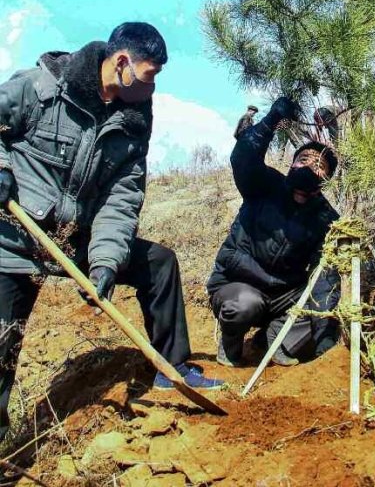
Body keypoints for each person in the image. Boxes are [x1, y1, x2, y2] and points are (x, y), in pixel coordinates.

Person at [0, 23, 223, 442]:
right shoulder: (40, 88)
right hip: (13, 236)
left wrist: (105, 262)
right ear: (121, 63)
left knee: (158, 264)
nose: (152, 86)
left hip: (74, 237)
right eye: (148, 75)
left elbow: (121, 198)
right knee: (1, 344)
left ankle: (172, 368)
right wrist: (1, 170)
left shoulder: (134, 119)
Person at [207, 97, 340, 368]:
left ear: (326, 179)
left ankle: (272, 340)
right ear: (292, 164)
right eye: (304, 159)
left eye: (320, 165)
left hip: (282, 295)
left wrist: (327, 337)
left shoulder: (325, 217)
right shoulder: (265, 185)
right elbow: (243, 158)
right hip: (238, 284)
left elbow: (324, 278)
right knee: (245, 304)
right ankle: (231, 344)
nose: (311, 165)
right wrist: (270, 122)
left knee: (316, 304)